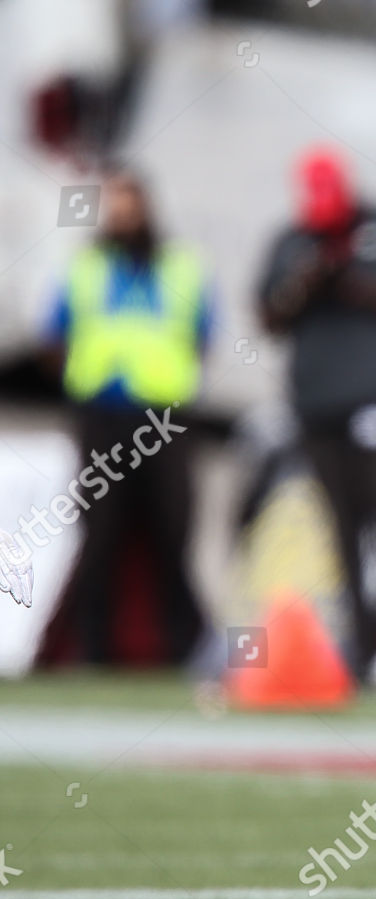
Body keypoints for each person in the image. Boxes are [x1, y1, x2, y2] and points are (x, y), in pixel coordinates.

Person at [256, 146, 376, 679]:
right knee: (344, 532)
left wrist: (360, 287)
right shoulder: (292, 241)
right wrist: (308, 285)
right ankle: (364, 648)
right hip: (320, 413)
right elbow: (269, 314)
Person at [45, 166, 209, 663]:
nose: (121, 216)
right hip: (101, 414)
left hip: (164, 417)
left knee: (172, 528)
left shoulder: (180, 265)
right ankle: (96, 651)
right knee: (101, 534)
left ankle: (180, 650)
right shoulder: (86, 267)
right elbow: (55, 333)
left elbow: (202, 333)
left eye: (128, 205)